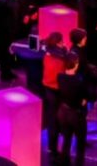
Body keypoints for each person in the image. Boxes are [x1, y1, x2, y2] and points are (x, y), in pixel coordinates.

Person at [58, 51, 93, 166]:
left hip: (63, 112)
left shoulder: (60, 77)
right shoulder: (79, 82)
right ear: (76, 64)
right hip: (76, 115)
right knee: (80, 143)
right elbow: (85, 99)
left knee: (66, 139)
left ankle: (64, 162)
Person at [42, 32, 69, 162]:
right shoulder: (61, 58)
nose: (64, 43)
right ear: (58, 43)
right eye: (62, 41)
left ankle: (51, 148)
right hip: (57, 90)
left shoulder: (47, 54)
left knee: (52, 119)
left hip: (48, 89)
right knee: (57, 120)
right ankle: (56, 149)